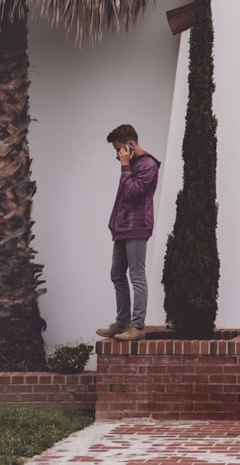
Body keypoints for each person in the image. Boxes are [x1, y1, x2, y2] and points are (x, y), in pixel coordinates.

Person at [96, 124, 161, 342]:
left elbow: (132, 192)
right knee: (116, 274)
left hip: (137, 226)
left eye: (119, 148)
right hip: (122, 227)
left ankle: (137, 325)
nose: (117, 154)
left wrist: (125, 166)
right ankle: (122, 322)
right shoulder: (131, 164)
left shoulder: (147, 165)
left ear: (130, 144)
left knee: (137, 276)